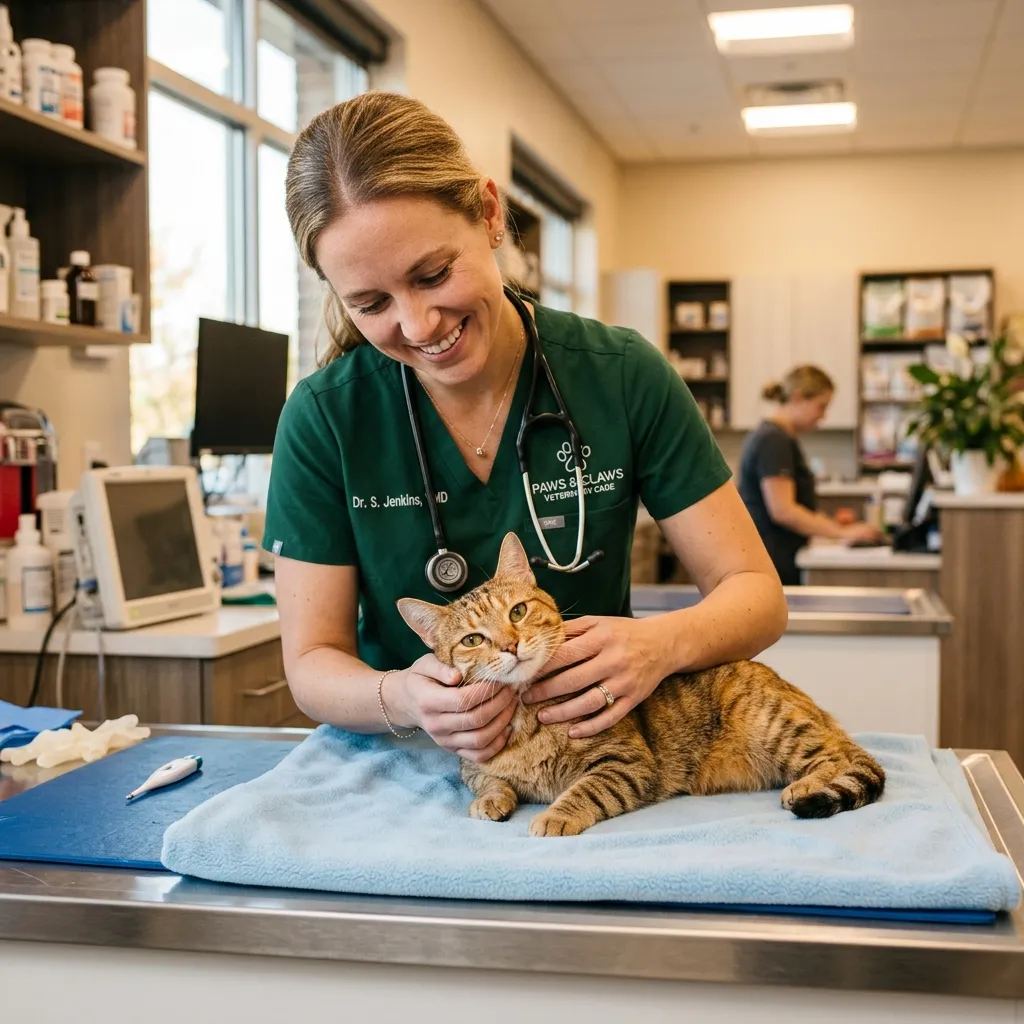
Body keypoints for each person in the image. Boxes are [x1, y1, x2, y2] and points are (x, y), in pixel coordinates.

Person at [263, 91, 787, 765]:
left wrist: (660, 645)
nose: (419, 325)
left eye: (433, 274)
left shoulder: (619, 375)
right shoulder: (326, 418)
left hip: (594, 760)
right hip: (407, 768)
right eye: (371, 303)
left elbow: (757, 596)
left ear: (488, 214)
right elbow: (311, 662)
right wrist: (401, 699)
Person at [738, 365, 882, 586]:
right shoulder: (773, 440)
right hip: (773, 559)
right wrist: (842, 533)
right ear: (797, 397)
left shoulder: (779, 437)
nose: (822, 417)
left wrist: (834, 525)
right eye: (821, 407)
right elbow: (783, 511)